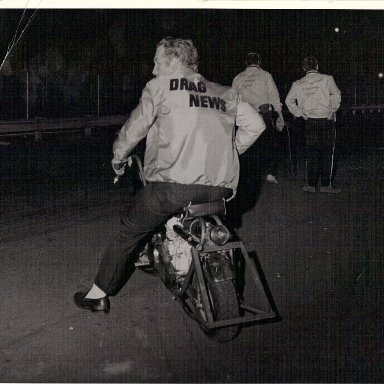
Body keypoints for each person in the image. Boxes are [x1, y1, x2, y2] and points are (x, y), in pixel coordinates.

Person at [74, 37, 266, 313]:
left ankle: (98, 295)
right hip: (221, 189)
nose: (153, 70)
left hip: (172, 188)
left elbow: (133, 131)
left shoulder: (159, 88)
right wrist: (230, 151)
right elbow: (256, 125)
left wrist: (118, 160)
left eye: (156, 61)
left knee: (128, 231)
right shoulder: (225, 92)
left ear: (174, 60)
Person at [285, 56, 342, 194]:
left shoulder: (297, 83)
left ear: (304, 68)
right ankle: (325, 185)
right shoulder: (328, 79)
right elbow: (337, 94)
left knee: (311, 152)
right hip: (327, 119)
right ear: (317, 66)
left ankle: (310, 185)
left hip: (309, 120)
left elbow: (288, 101)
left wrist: (300, 113)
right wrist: (332, 110)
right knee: (328, 152)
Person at [232, 52, 285, 185]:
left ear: (246, 63)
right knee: (269, 145)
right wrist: (280, 115)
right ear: (259, 62)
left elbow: (232, 98)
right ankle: (270, 173)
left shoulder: (238, 78)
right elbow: (274, 96)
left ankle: (245, 174)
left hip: (244, 118)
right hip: (264, 114)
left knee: (247, 146)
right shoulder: (265, 75)